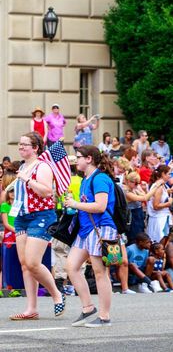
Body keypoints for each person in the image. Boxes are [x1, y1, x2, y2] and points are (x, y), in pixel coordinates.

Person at [9, 132, 65, 321]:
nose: (21, 147)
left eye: (25, 144)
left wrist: (27, 180)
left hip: (41, 216)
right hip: (22, 217)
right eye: (20, 143)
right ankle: (31, 308)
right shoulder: (23, 166)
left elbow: (47, 192)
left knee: (33, 262)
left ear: (35, 148)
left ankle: (57, 294)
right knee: (26, 265)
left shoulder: (42, 166)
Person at [65, 145, 117, 327]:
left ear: (89, 159)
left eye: (78, 157)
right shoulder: (86, 179)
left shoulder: (100, 178)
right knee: (71, 266)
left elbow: (101, 206)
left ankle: (104, 316)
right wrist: (73, 206)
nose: (75, 160)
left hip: (101, 229)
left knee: (100, 272)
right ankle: (88, 308)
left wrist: (75, 204)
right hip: (87, 230)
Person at [146, 165, 173, 244]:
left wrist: (169, 192)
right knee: (159, 243)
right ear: (163, 174)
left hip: (163, 217)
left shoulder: (163, 185)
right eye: (168, 174)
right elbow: (156, 206)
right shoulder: (158, 188)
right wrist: (168, 203)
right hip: (158, 219)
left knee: (164, 241)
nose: (170, 176)